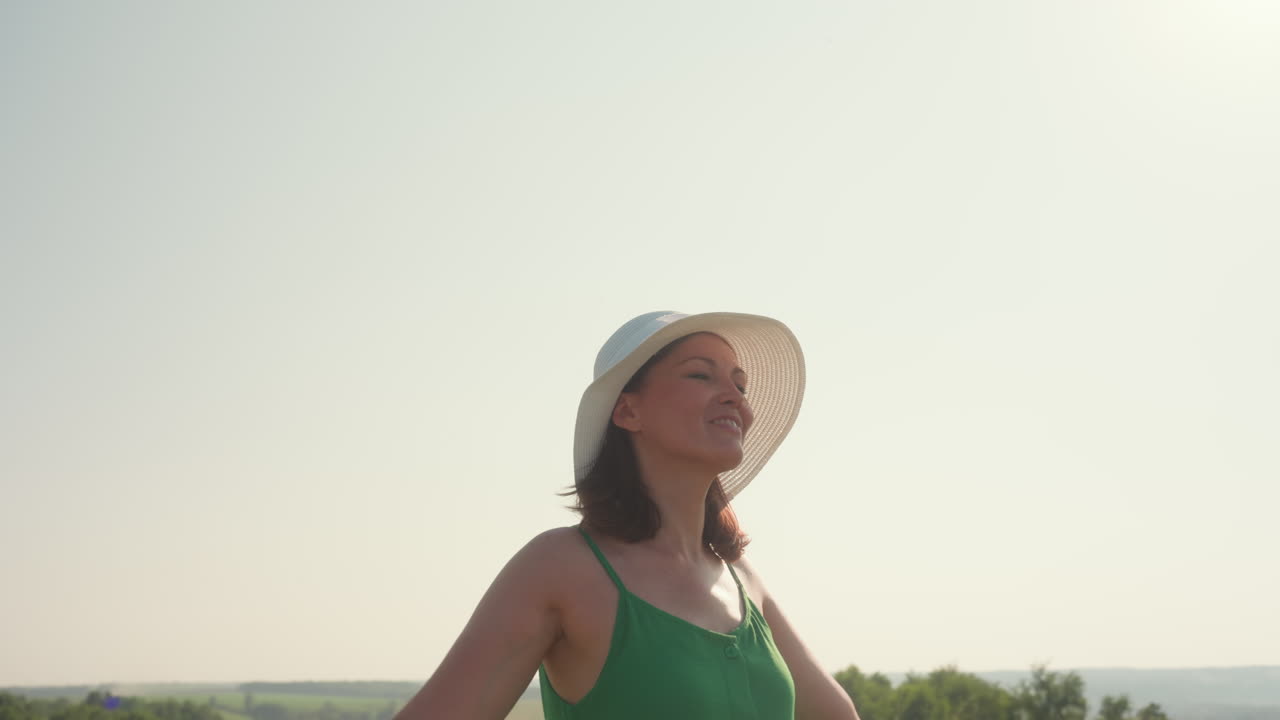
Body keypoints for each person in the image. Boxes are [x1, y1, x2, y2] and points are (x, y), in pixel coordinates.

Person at [397, 311, 860, 720]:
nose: (734, 397)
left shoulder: (741, 578)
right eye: (701, 375)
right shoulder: (559, 567)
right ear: (628, 411)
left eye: (740, 385)